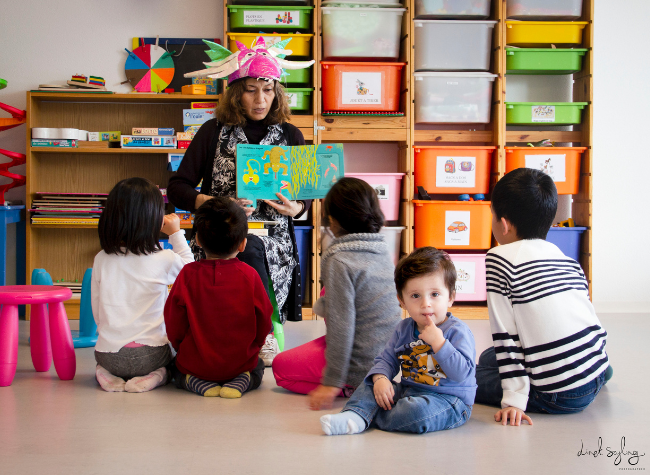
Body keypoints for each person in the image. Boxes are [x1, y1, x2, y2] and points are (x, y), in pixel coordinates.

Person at [167, 37, 315, 366]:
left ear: (277, 91)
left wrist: (297, 208)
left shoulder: (292, 136)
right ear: (237, 92)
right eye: (251, 89)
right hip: (219, 232)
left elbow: (306, 198)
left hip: (273, 236)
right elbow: (177, 187)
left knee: (253, 248)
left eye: (268, 88)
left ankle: (260, 334)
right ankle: (263, 334)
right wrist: (213, 202)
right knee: (243, 248)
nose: (260, 99)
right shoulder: (211, 131)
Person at [475, 168, 610, 426]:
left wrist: (513, 400)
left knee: (467, 374)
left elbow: (507, 337)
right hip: (596, 371)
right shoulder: (566, 259)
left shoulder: (500, 259)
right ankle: (594, 369)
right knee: (489, 357)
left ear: (503, 223)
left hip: (559, 395)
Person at [272, 177, 402, 410]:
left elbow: (342, 327)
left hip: (359, 361)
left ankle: (351, 385)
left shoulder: (338, 259)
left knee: (281, 367)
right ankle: (360, 379)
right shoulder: (381, 248)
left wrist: (331, 383)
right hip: (388, 361)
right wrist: (326, 305)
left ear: (333, 219)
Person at [320, 247, 476, 436]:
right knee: (370, 383)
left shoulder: (457, 331)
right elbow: (386, 360)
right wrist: (381, 379)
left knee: (417, 412)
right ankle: (354, 415)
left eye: (435, 294)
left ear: (450, 297)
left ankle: (366, 415)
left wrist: (440, 344)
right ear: (401, 300)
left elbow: (462, 374)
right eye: (415, 296)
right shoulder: (403, 328)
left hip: (450, 401)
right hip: (409, 390)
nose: (425, 303)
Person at [91, 177, 194, 393]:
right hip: (151, 355)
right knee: (171, 362)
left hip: (108, 354)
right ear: (154, 219)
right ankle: (157, 375)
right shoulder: (164, 258)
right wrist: (176, 233)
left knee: (104, 361)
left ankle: (105, 373)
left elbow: (97, 310)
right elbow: (191, 272)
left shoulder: (102, 258)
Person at [164, 197, 272, 398]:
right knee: (257, 368)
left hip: (196, 363)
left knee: (174, 367)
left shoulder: (187, 275)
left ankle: (193, 381)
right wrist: (254, 347)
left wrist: (183, 348)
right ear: (243, 244)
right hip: (241, 363)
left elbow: (173, 323)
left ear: (197, 240)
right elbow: (264, 320)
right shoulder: (250, 275)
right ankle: (243, 380)